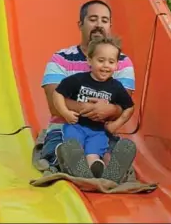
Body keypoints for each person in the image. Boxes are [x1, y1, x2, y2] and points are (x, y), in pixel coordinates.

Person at [40, 0, 137, 183]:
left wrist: (110, 111)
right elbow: (54, 104)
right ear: (80, 24)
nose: (99, 25)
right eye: (93, 19)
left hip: (101, 130)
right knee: (59, 149)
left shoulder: (122, 62)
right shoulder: (60, 59)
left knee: (109, 150)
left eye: (104, 20)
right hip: (65, 126)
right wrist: (90, 108)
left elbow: (122, 106)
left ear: (110, 25)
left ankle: (103, 169)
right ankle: (71, 163)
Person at [52, 36, 135, 179]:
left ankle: (94, 171)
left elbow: (129, 107)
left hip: (98, 131)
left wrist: (116, 125)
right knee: (74, 146)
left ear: (116, 65)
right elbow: (57, 93)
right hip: (76, 125)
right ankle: (72, 162)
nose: (105, 66)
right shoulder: (78, 79)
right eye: (101, 61)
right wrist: (65, 112)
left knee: (93, 154)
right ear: (89, 60)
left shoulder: (116, 87)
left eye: (111, 62)